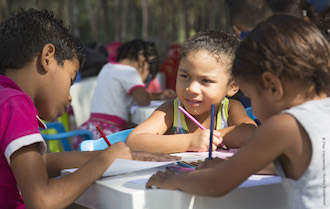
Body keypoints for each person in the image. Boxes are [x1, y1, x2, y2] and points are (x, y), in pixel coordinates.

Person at [0, 9, 179, 209]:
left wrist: (119, 155)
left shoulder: (5, 98)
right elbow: (42, 200)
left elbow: (43, 162)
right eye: (71, 80)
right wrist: (105, 159)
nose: (69, 96)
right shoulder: (15, 103)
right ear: (47, 57)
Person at [146, 15, 330, 209]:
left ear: (272, 85)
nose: (255, 111)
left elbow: (214, 184)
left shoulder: (285, 125)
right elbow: (301, 167)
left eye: (251, 95)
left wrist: (172, 181)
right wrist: (231, 166)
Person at [126, 30, 258, 153]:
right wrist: (190, 141)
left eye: (205, 80)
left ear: (232, 86)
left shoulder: (229, 108)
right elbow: (134, 141)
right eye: (185, 76)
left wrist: (209, 137)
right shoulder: (172, 109)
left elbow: (251, 133)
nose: (192, 89)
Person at [79, 39, 175, 139]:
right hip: (109, 132)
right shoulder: (130, 72)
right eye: (147, 79)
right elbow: (143, 100)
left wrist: (159, 95)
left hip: (91, 129)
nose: (144, 84)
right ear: (142, 63)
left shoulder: (107, 68)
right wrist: (157, 95)